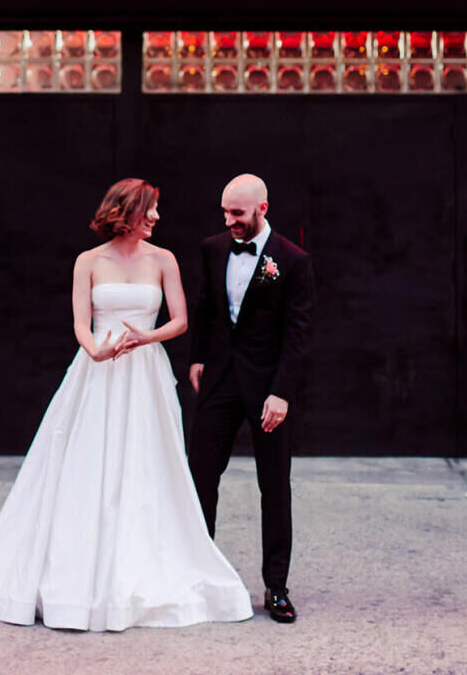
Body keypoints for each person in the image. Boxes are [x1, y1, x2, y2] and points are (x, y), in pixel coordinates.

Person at [0, 177, 252, 631]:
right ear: (127, 212)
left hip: (144, 373)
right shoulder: (88, 262)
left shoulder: (164, 259)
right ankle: (76, 571)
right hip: (96, 370)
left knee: (146, 463)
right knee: (84, 462)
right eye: (150, 209)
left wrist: (145, 337)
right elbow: (81, 322)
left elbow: (180, 321)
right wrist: (95, 349)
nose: (157, 217)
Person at [188, 173, 314, 624]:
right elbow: (204, 307)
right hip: (219, 382)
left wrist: (282, 392)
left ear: (263, 208)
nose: (229, 221)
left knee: (274, 487)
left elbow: (298, 335)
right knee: (200, 479)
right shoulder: (213, 248)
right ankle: (197, 578)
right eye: (225, 212)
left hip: (268, 388)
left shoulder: (293, 260)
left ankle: (276, 587)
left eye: (237, 213)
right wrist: (198, 358)